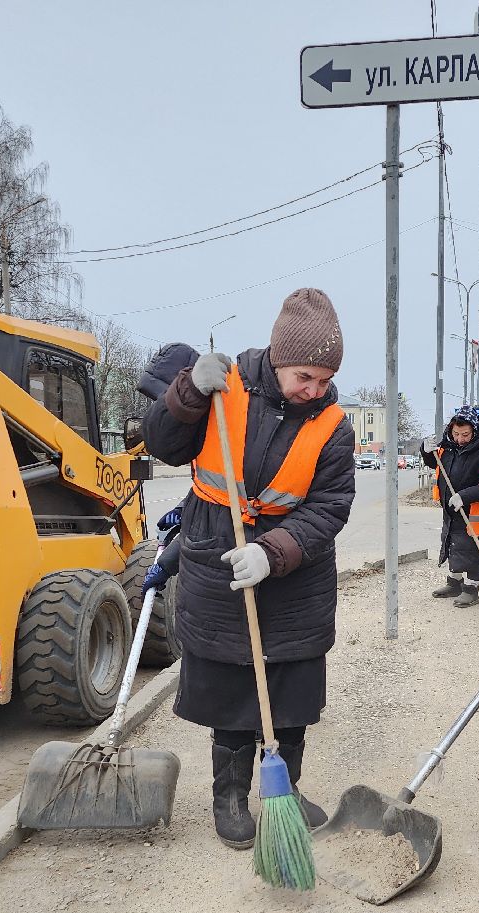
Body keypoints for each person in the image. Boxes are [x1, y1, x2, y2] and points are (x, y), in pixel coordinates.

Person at [142, 288, 355, 849]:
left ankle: (282, 793)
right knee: (232, 682)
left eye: (324, 379)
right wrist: (185, 393)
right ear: (278, 358)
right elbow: (163, 445)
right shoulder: (223, 386)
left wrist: (275, 550)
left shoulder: (333, 424)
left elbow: (331, 504)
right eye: (305, 376)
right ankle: (231, 796)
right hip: (219, 553)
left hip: (294, 569)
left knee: (291, 684)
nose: (315, 390)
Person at [421, 408, 479, 609]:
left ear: (474, 431)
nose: (459, 439)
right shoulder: (447, 447)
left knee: (474, 549)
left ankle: (471, 589)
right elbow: (435, 462)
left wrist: (464, 496)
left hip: (476, 512)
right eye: (456, 434)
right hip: (452, 510)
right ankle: (454, 584)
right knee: (453, 545)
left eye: (465, 435)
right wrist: (425, 450)